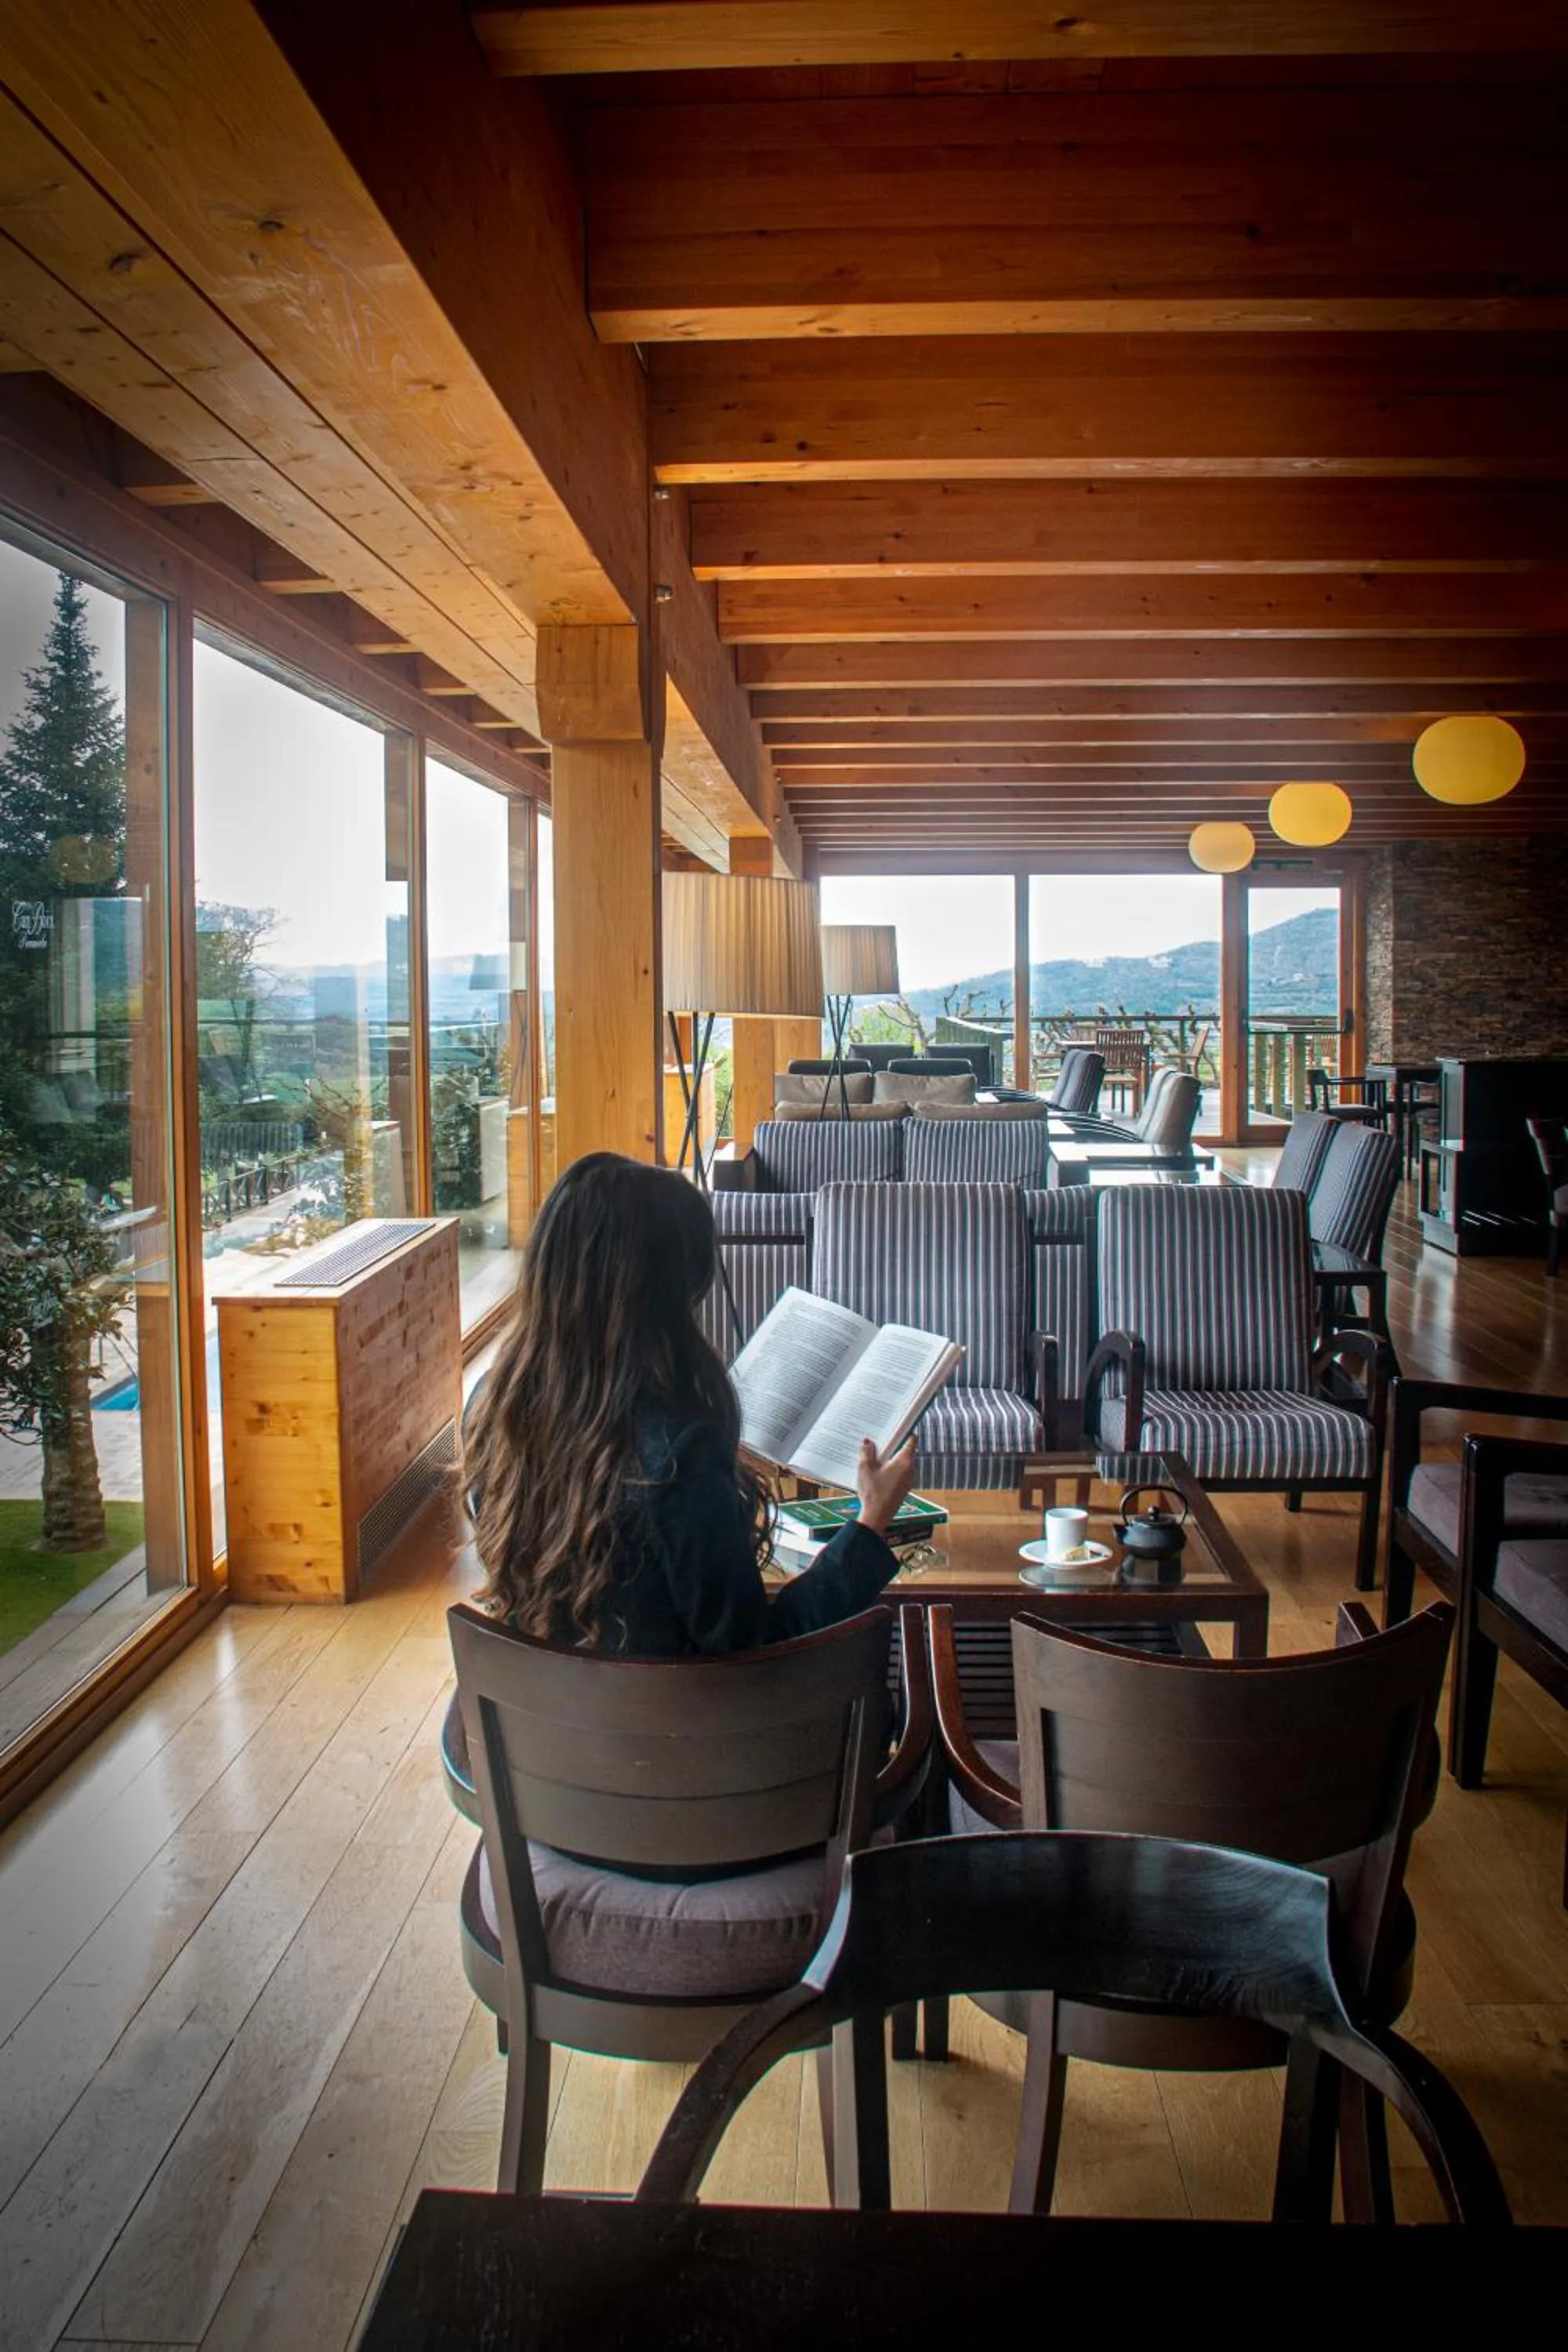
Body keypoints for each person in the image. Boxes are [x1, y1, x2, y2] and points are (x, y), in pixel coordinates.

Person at [465, 1152, 916, 1655]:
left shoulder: (491, 1407)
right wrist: (872, 1521)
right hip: (682, 1729)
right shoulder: (679, 1452)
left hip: (543, 1724)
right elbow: (756, 1648)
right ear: (664, 1295)